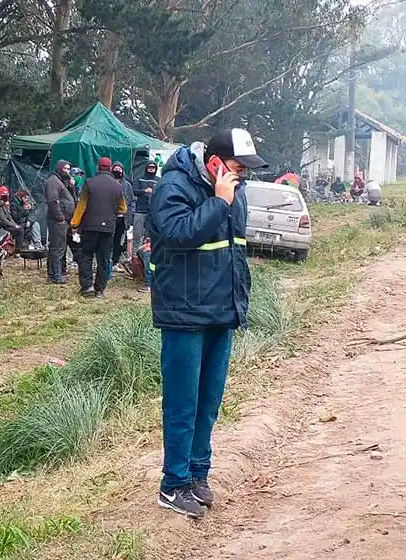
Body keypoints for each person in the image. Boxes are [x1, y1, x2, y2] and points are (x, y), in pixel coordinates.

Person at [147, 128, 267, 518]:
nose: (242, 175)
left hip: (221, 310)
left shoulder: (234, 191)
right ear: (214, 162)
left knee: (209, 401)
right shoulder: (174, 186)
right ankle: (173, 484)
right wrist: (218, 202)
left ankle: (197, 474)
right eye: (237, 167)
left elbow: (233, 250)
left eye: (245, 170)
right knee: (183, 403)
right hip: (184, 311)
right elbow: (178, 234)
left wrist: (237, 304)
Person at [70, 157, 127, 298]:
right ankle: (100, 290)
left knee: (86, 256)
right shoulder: (117, 186)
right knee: (103, 260)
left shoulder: (89, 183)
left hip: (90, 227)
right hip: (108, 228)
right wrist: (111, 212)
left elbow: (81, 205)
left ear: (98, 167)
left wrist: (74, 224)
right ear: (110, 168)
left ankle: (87, 286)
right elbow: (123, 208)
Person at [45, 160, 76, 284]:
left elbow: (71, 198)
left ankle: (61, 272)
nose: (67, 171)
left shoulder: (62, 182)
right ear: (59, 168)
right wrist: (60, 217)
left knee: (61, 248)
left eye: (68, 169)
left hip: (65, 220)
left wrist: (72, 188)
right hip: (57, 221)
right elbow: (52, 200)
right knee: (57, 248)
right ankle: (55, 275)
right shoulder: (53, 181)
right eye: (65, 168)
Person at [110, 162, 135, 271]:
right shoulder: (108, 183)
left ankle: (115, 262)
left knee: (118, 241)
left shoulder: (127, 185)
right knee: (107, 240)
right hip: (109, 217)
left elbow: (132, 201)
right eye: (115, 168)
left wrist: (130, 215)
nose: (117, 171)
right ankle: (106, 261)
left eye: (119, 169)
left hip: (122, 218)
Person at [133, 161, 159, 258]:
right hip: (140, 210)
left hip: (152, 213)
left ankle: (146, 256)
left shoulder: (159, 180)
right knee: (137, 235)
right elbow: (134, 190)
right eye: (149, 167)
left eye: (153, 167)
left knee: (149, 237)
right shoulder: (140, 179)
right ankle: (135, 256)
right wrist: (144, 191)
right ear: (146, 168)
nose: (151, 169)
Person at [0, 185, 25, 249]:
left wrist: (15, 225)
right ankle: (18, 250)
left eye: (7, 195)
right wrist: (14, 226)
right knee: (19, 231)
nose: (6, 197)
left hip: (4, 226)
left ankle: (17, 247)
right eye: (4, 195)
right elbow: (3, 220)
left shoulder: (4, 204)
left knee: (20, 228)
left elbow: (9, 217)